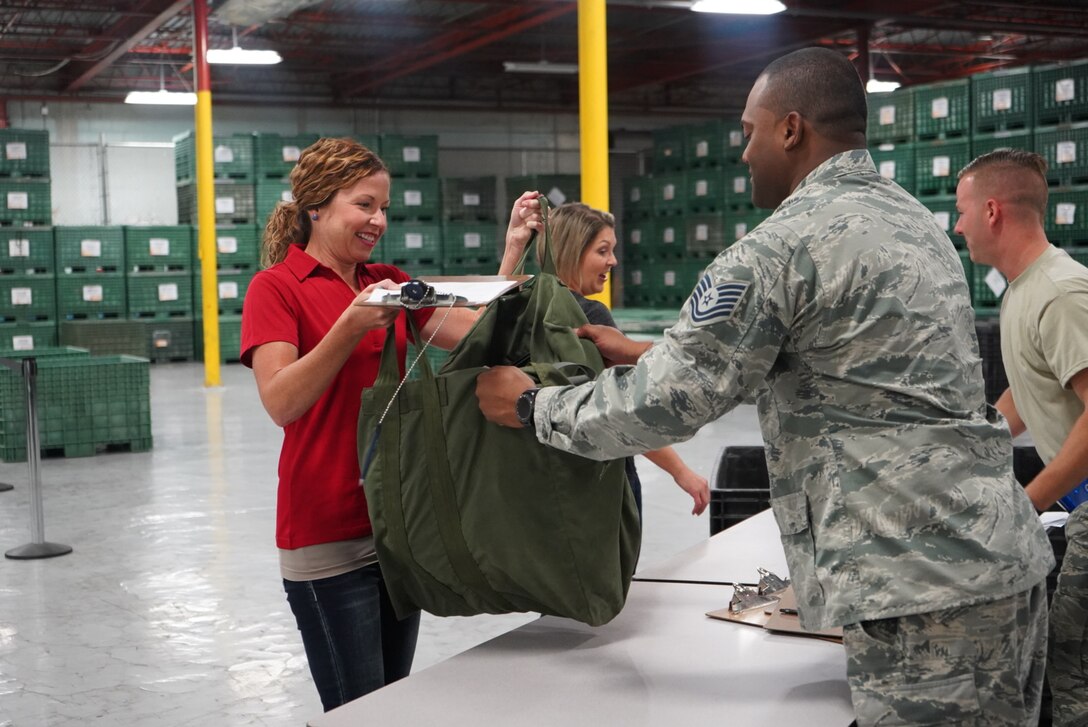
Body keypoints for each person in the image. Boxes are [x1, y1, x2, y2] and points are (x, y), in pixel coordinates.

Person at [477, 48, 1055, 726]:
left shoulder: (781, 249)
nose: (744, 152)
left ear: (790, 129)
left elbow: (668, 399)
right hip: (1000, 562)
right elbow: (835, 376)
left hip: (917, 589)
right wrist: (638, 349)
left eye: (749, 131)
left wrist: (529, 403)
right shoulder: (915, 225)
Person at [240, 136, 541, 711]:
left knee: (392, 704)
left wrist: (512, 252)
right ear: (316, 206)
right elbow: (281, 402)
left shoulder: (386, 279)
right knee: (358, 711)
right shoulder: (275, 288)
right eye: (364, 204)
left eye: (384, 208)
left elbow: (471, 335)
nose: (378, 220)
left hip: (396, 525)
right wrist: (350, 326)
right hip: (325, 534)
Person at [955, 149, 1088, 726]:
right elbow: (1031, 389)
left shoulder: (1061, 294)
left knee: (1069, 660)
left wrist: (1025, 502)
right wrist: (964, 445)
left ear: (991, 211)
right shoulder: (1021, 290)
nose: (956, 226)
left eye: (960, 211)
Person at [545, 201, 709, 517]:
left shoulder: (529, 312)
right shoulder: (591, 317)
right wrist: (681, 472)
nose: (613, 261)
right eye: (602, 251)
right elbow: (621, 411)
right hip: (601, 482)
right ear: (571, 251)